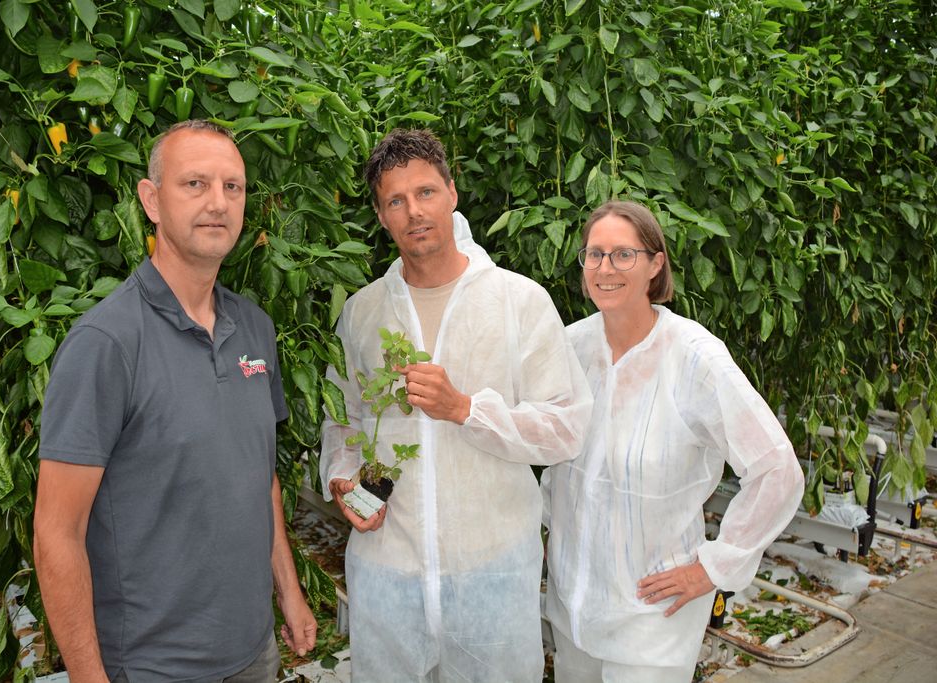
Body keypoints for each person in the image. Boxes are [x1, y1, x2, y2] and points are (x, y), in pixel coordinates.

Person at [34, 120, 316, 683]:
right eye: (195, 184)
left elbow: (259, 476)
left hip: (253, 653)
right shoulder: (107, 344)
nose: (218, 203)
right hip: (151, 665)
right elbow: (56, 533)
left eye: (232, 187)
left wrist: (289, 591)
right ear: (151, 200)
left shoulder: (254, 329)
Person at [320, 128, 593, 682]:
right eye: (395, 201)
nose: (413, 212)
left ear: (451, 192)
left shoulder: (518, 302)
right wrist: (342, 478)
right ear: (380, 215)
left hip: (488, 573)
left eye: (425, 192)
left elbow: (566, 428)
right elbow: (341, 417)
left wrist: (467, 409)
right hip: (386, 572)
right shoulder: (363, 313)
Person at [542, 200, 805, 683]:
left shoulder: (694, 358)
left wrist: (713, 568)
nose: (605, 268)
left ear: (655, 263)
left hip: (652, 620)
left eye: (624, 254)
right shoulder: (571, 346)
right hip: (573, 608)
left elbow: (777, 469)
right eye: (594, 254)